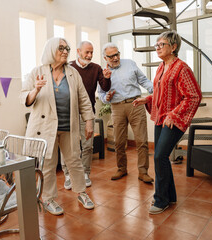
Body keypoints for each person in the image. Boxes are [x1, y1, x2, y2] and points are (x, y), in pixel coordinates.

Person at [20, 37, 95, 216]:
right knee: (48, 164)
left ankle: (82, 193)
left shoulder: (73, 73)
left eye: (67, 48)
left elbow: (84, 99)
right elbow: (25, 98)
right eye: (61, 48)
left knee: (74, 161)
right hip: (46, 127)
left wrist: (90, 121)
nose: (65, 51)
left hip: (68, 125)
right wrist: (36, 89)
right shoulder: (37, 71)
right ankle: (48, 198)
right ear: (51, 50)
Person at [133, 30, 202, 215]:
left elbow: (193, 96)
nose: (157, 48)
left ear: (173, 46)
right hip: (161, 117)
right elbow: (162, 93)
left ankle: (161, 200)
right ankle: (170, 196)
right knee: (160, 156)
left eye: (161, 44)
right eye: (156, 45)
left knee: (159, 157)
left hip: (173, 120)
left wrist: (174, 114)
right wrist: (147, 99)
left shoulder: (182, 68)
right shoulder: (161, 67)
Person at [98, 42, 154, 183]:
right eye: (111, 56)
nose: (115, 58)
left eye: (117, 54)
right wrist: (106, 98)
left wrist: (156, 91)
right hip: (116, 107)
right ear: (105, 58)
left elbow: (143, 80)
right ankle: (121, 168)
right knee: (119, 141)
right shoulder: (103, 73)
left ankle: (143, 171)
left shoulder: (130, 64)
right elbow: (101, 94)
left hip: (135, 104)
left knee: (141, 140)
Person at [61, 40, 111, 190]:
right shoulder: (67, 67)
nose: (89, 55)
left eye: (91, 52)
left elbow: (105, 87)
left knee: (88, 145)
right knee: (68, 146)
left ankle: (85, 173)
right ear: (78, 51)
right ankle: (68, 175)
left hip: (87, 112)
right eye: (86, 52)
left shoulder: (96, 68)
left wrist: (107, 77)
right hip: (68, 113)